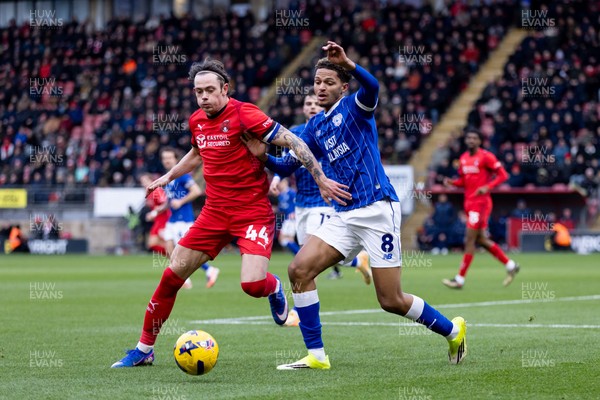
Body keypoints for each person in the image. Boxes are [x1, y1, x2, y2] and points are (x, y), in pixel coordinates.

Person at [111, 58, 350, 368]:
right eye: (199, 92)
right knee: (171, 277)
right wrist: (168, 177)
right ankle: (144, 349)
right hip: (213, 213)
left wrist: (320, 178)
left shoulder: (246, 113)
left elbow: (292, 140)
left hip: (251, 213)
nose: (204, 97)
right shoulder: (197, 119)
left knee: (252, 285)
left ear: (225, 89)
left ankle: (274, 287)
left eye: (210, 90)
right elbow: (197, 153)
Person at [244, 42, 466, 370]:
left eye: (329, 82)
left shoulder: (355, 107)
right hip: (345, 214)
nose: (321, 87)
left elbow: (374, 86)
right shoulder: (314, 128)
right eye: (317, 82)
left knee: (390, 300)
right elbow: (289, 166)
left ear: (343, 86)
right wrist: (262, 154)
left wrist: (348, 62)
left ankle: (452, 331)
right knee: (299, 270)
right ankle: (317, 356)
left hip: (377, 210)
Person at [264, 94, 371, 286]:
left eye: (315, 103)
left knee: (312, 255)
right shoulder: (294, 133)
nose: (312, 106)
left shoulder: (327, 130)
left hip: (322, 200)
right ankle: (357, 261)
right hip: (302, 202)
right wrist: (278, 178)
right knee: (309, 256)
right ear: (303, 108)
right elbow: (287, 161)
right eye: (308, 104)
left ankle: (300, 311)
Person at [442, 128, 520, 289]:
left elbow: (503, 175)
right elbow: (464, 181)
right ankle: (510, 265)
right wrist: (452, 183)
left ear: (479, 141)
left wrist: (488, 187)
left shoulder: (486, 157)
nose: (470, 140)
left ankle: (460, 279)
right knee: (481, 241)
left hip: (481, 204)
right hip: (469, 204)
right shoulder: (463, 158)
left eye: (474, 138)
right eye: (469, 137)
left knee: (469, 239)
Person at [155, 147, 219, 289]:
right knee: (169, 248)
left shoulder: (183, 175)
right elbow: (171, 199)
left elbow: (196, 191)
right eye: (164, 158)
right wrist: (162, 208)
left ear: (175, 159)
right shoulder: (168, 177)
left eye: (169, 158)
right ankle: (184, 277)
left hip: (184, 220)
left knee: (186, 253)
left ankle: (209, 270)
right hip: (172, 220)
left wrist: (181, 201)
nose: (166, 161)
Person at [139, 173, 171, 257]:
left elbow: (165, 204)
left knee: (153, 243)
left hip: (163, 220)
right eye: (142, 181)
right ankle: (175, 259)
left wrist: (153, 213)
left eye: (146, 181)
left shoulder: (157, 190)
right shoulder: (149, 193)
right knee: (154, 244)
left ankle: (176, 258)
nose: (144, 183)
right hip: (158, 220)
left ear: (151, 181)